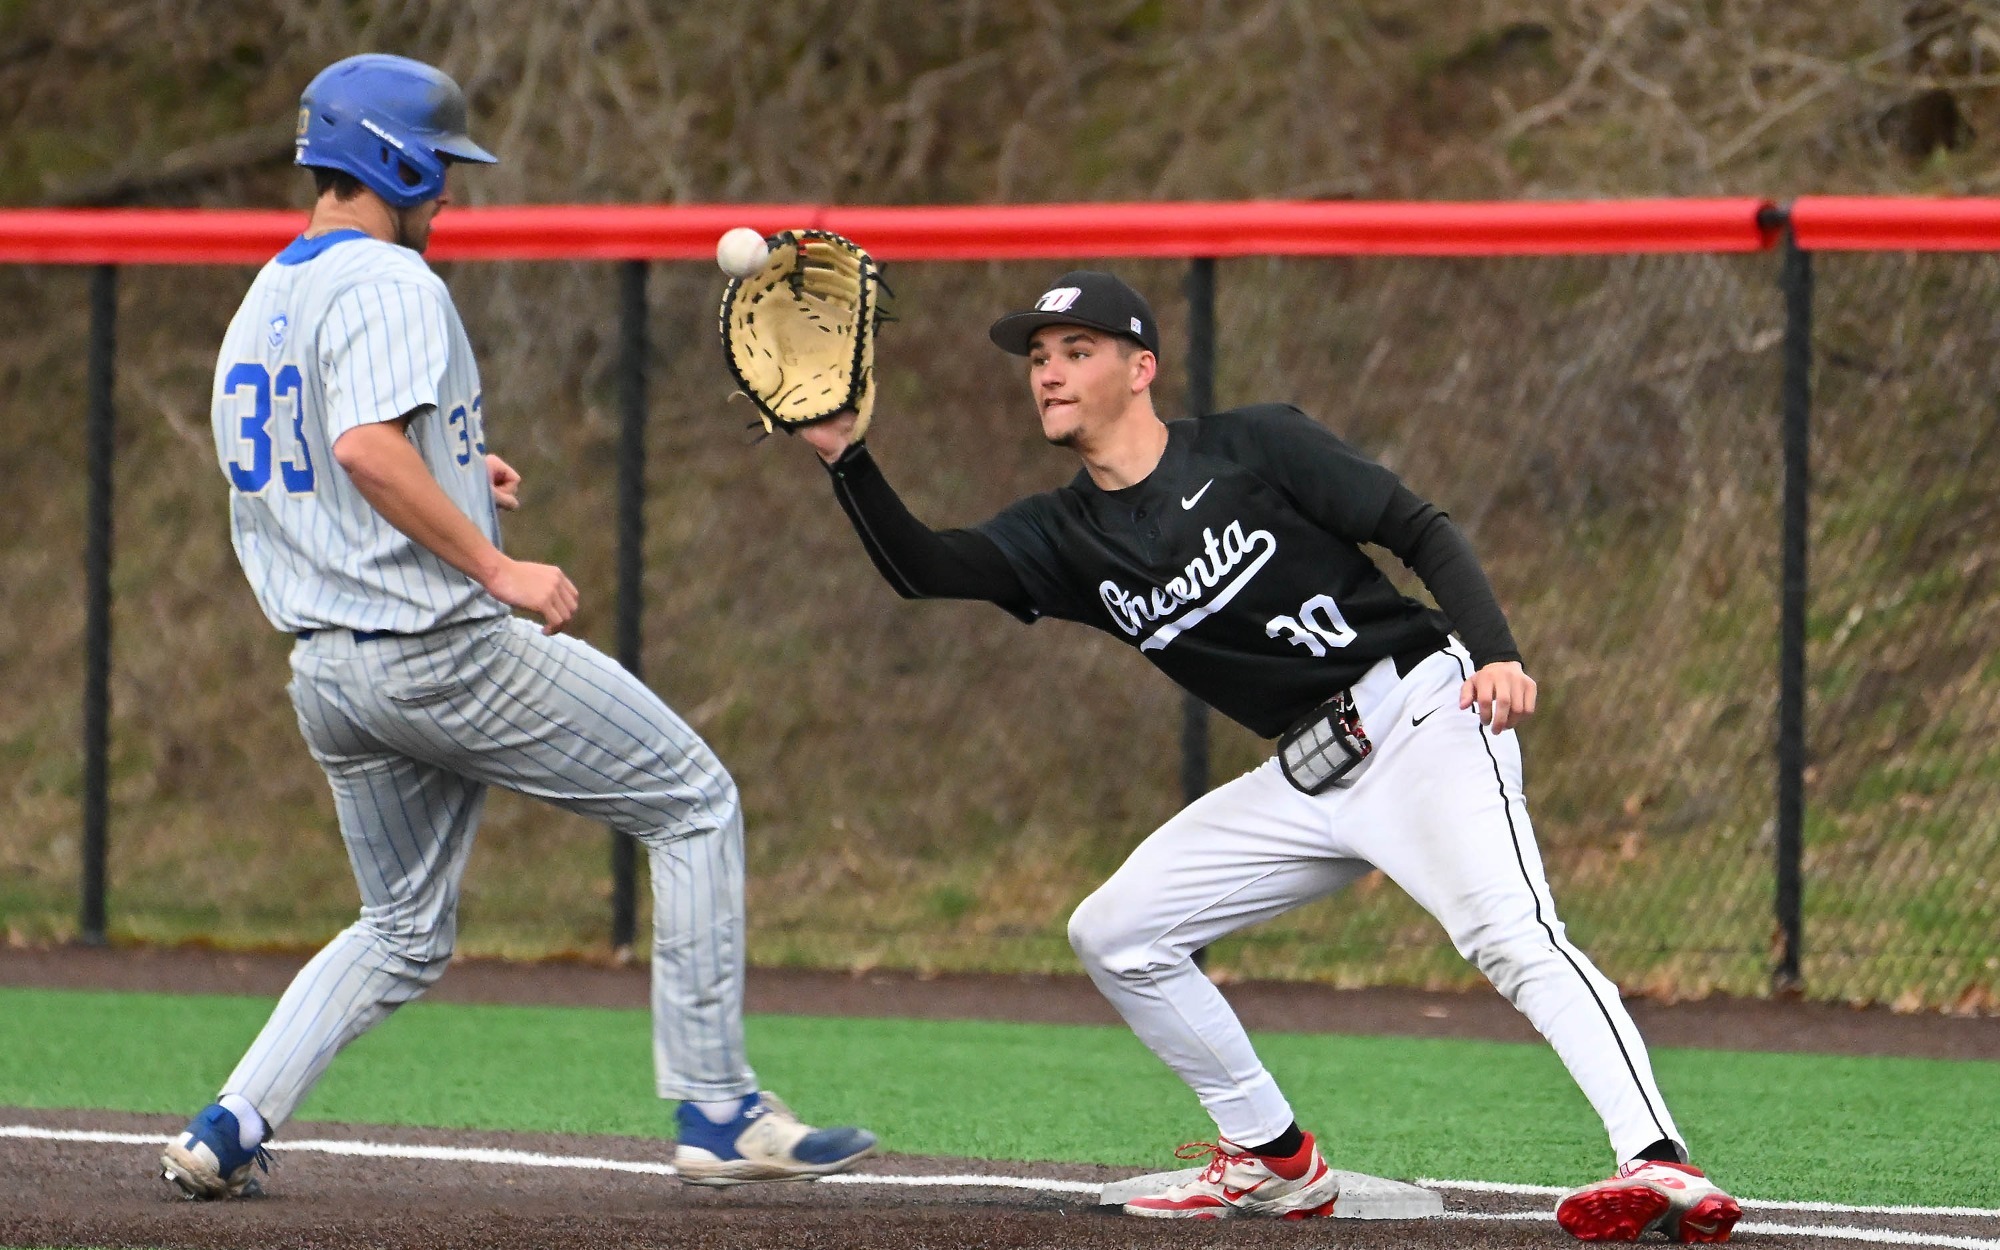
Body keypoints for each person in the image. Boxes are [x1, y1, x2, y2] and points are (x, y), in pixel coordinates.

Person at [790, 270, 1740, 1241]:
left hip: (1419, 710)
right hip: (1308, 769)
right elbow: (925, 566)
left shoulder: (1253, 445)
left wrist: (1494, 649)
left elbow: (1415, 527)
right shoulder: (1064, 533)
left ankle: (1657, 1160)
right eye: (1037, 358)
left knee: (1510, 934)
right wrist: (844, 456)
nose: (1048, 373)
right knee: (1116, 930)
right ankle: (1273, 1160)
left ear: (1140, 367)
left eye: (1076, 350)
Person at [163, 53, 874, 1199]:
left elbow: (314, 462)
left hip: (330, 676)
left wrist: (451, 468)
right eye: (437, 167)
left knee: (399, 926)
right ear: (386, 158)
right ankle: (718, 1105)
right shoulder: (391, 282)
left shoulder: (264, 298)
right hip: (442, 654)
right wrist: (494, 563)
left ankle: (230, 1121)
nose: (445, 190)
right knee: (693, 800)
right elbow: (360, 448)